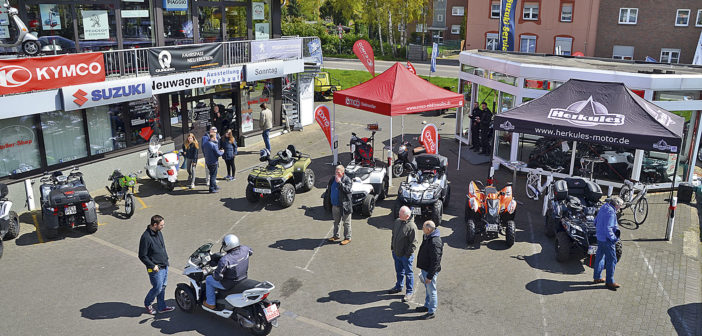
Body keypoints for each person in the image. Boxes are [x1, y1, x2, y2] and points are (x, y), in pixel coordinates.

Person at [203, 234, 253, 310]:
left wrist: (212, 272)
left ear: (227, 245)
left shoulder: (225, 260)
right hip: (244, 278)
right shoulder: (245, 249)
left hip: (230, 284)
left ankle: (210, 303)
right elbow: (251, 252)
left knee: (209, 279)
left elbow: (217, 277)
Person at [138, 215, 174, 314]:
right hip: (155, 269)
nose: (163, 226)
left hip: (164, 264)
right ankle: (147, 303)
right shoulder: (146, 237)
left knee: (163, 287)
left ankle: (161, 307)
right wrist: (153, 265)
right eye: (161, 225)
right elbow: (142, 255)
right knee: (157, 288)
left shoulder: (158, 232)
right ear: (155, 225)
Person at [593, 196, 624, 290]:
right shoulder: (611, 213)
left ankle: (597, 277)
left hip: (600, 237)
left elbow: (595, 221)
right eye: (620, 206)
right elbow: (608, 229)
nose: (620, 208)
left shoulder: (604, 207)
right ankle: (610, 282)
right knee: (612, 260)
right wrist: (614, 239)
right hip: (607, 240)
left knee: (599, 257)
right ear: (616, 205)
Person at [389, 206, 419, 303]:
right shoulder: (397, 221)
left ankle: (409, 292)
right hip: (396, 253)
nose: (398, 214)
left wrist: (407, 255)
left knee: (408, 274)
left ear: (406, 216)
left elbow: (414, 244)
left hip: (405, 257)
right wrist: (392, 248)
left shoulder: (412, 227)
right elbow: (393, 235)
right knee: (399, 271)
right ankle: (398, 286)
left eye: (400, 214)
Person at [416, 220, 442, 319]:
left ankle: (431, 312)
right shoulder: (427, 236)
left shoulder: (435, 242)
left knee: (432, 291)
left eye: (423, 227)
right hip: (425, 268)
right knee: (428, 290)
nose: (422, 229)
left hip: (429, 271)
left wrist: (430, 276)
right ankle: (427, 306)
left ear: (428, 229)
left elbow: (436, 261)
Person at [326, 165, 353, 245]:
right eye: (335, 172)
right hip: (335, 205)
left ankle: (348, 238)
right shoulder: (332, 179)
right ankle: (336, 235)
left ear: (343, 173)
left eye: (338, 172)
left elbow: (348, 190)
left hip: (344, 206)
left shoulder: (347, 180)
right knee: (336, 222)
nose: (336, 174)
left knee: (346, 223)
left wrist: (340, 183)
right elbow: (329, 189)